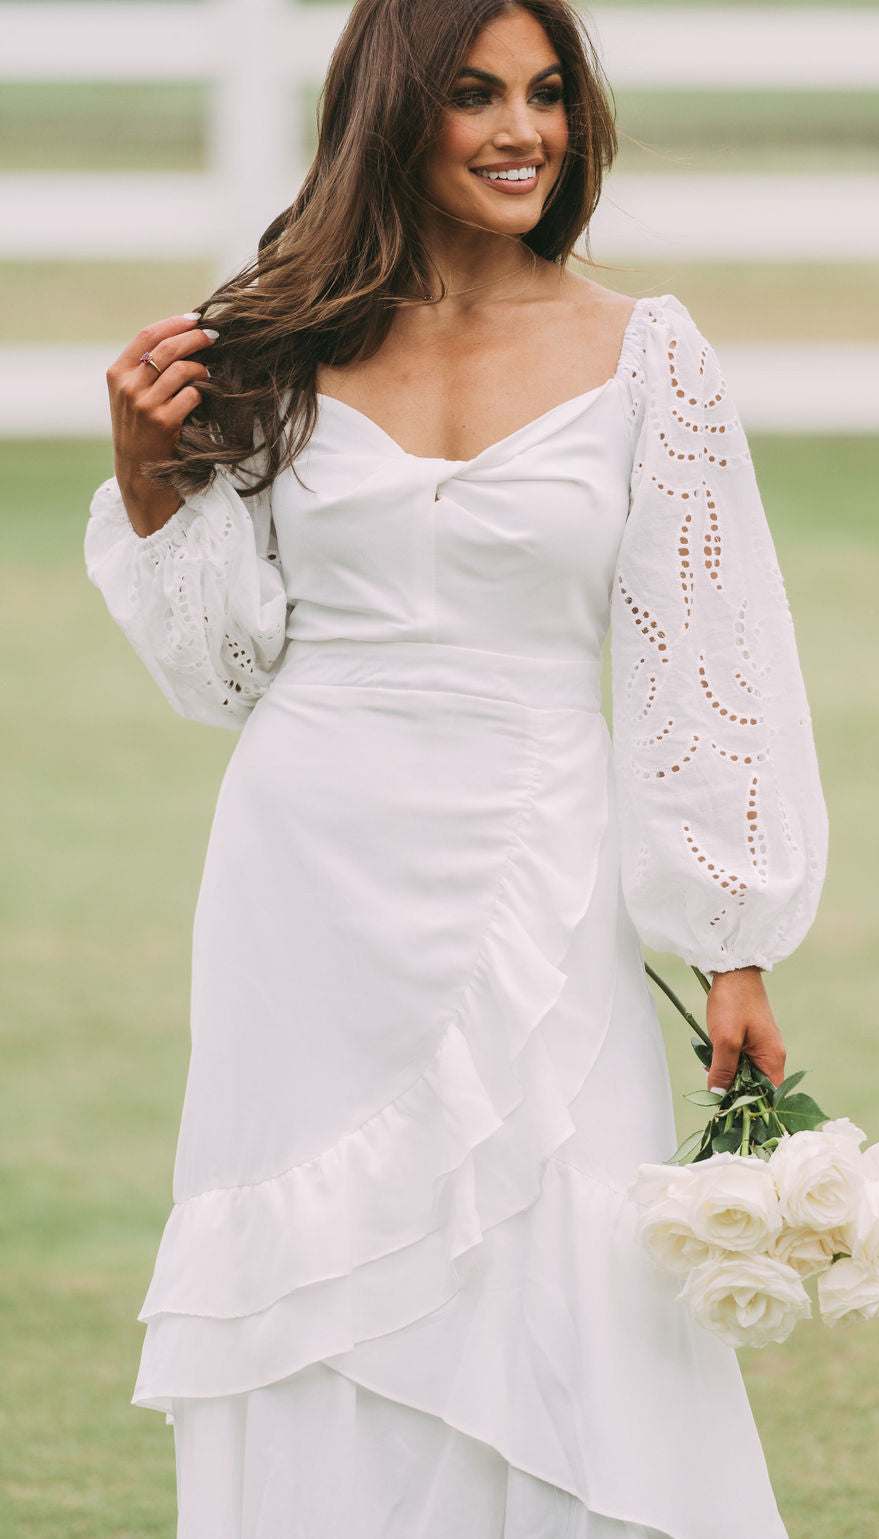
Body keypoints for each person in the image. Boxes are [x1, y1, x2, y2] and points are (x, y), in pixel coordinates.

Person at [84, 0, 828, 1534]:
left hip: (535, 859)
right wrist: (150, 481)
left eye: (548, 92)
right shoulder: (270, 346)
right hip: (305, 875)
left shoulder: (650, 357)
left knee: (558, 1244)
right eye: (476, 94)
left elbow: (710, 656)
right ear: (393, 112)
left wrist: (732, 942)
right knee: (308, 1269)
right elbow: (227, 672)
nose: (522, 130)